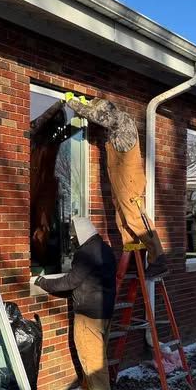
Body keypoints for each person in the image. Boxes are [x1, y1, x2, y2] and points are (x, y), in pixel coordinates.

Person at [65, 95, 169, 278]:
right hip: (120, 180)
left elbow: (98, 116)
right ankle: (133, 259)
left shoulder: (120, 119)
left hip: (128, 180)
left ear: (107, 110)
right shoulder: (115, 126)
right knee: (123, 219)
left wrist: (73, 103)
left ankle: (158, 258)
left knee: (135, 217)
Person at [34, 216, 117, 390]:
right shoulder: (105, 249)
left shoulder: (86, 253)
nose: (72, 241)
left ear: (80, 235)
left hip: (88, 315)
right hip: (105, 312)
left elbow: (70, 281)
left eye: (73, 238)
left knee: (92, 361)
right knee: (98, 357)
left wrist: (43, 282)